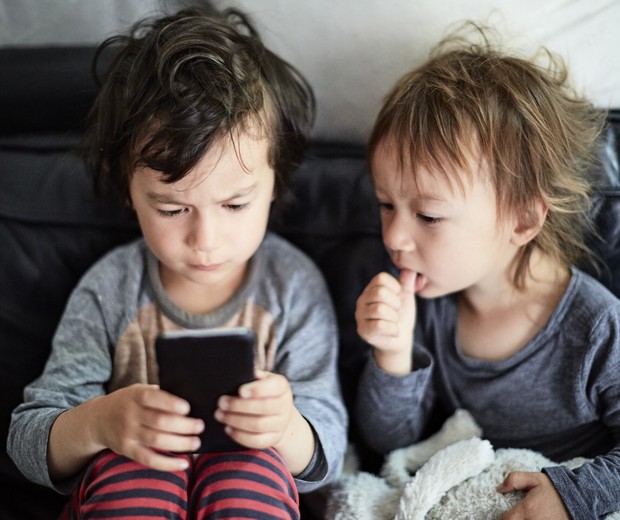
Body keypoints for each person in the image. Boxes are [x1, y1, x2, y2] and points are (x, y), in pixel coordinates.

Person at [8, 6, 347, 519]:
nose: (205, 241)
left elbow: (330, 450)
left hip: (247, 491)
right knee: (137, 474)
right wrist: (100, 422)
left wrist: (285, 427)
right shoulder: (112, 288)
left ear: (276, 180)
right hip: (129, 488)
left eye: (235, 205)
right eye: (171, 209)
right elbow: (28, 438)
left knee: (250, 469)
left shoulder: (292, 285)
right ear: (128, 192)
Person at [354, 24, 620, 520]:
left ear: (521, 219)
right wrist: (392, 356)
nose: (392, 237)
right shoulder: (430, 308)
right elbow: (390, 443)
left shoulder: (596, 327)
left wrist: (573, 494)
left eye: (428, 216)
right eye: (386, 205)